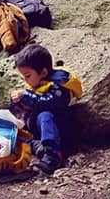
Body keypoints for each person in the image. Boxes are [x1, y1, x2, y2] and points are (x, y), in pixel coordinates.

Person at [10, 43, 83, 175]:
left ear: (43, 72)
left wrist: (27, 97)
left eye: (28, 76)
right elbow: (29, 107)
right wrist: (18, 103)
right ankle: (38, 147)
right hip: (35, 128)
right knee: (13, 134)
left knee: (45, 115)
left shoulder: (59, 86)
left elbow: (48, 103)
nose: (26, 81)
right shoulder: (37, 83)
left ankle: (53, 155)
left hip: (57, 130)